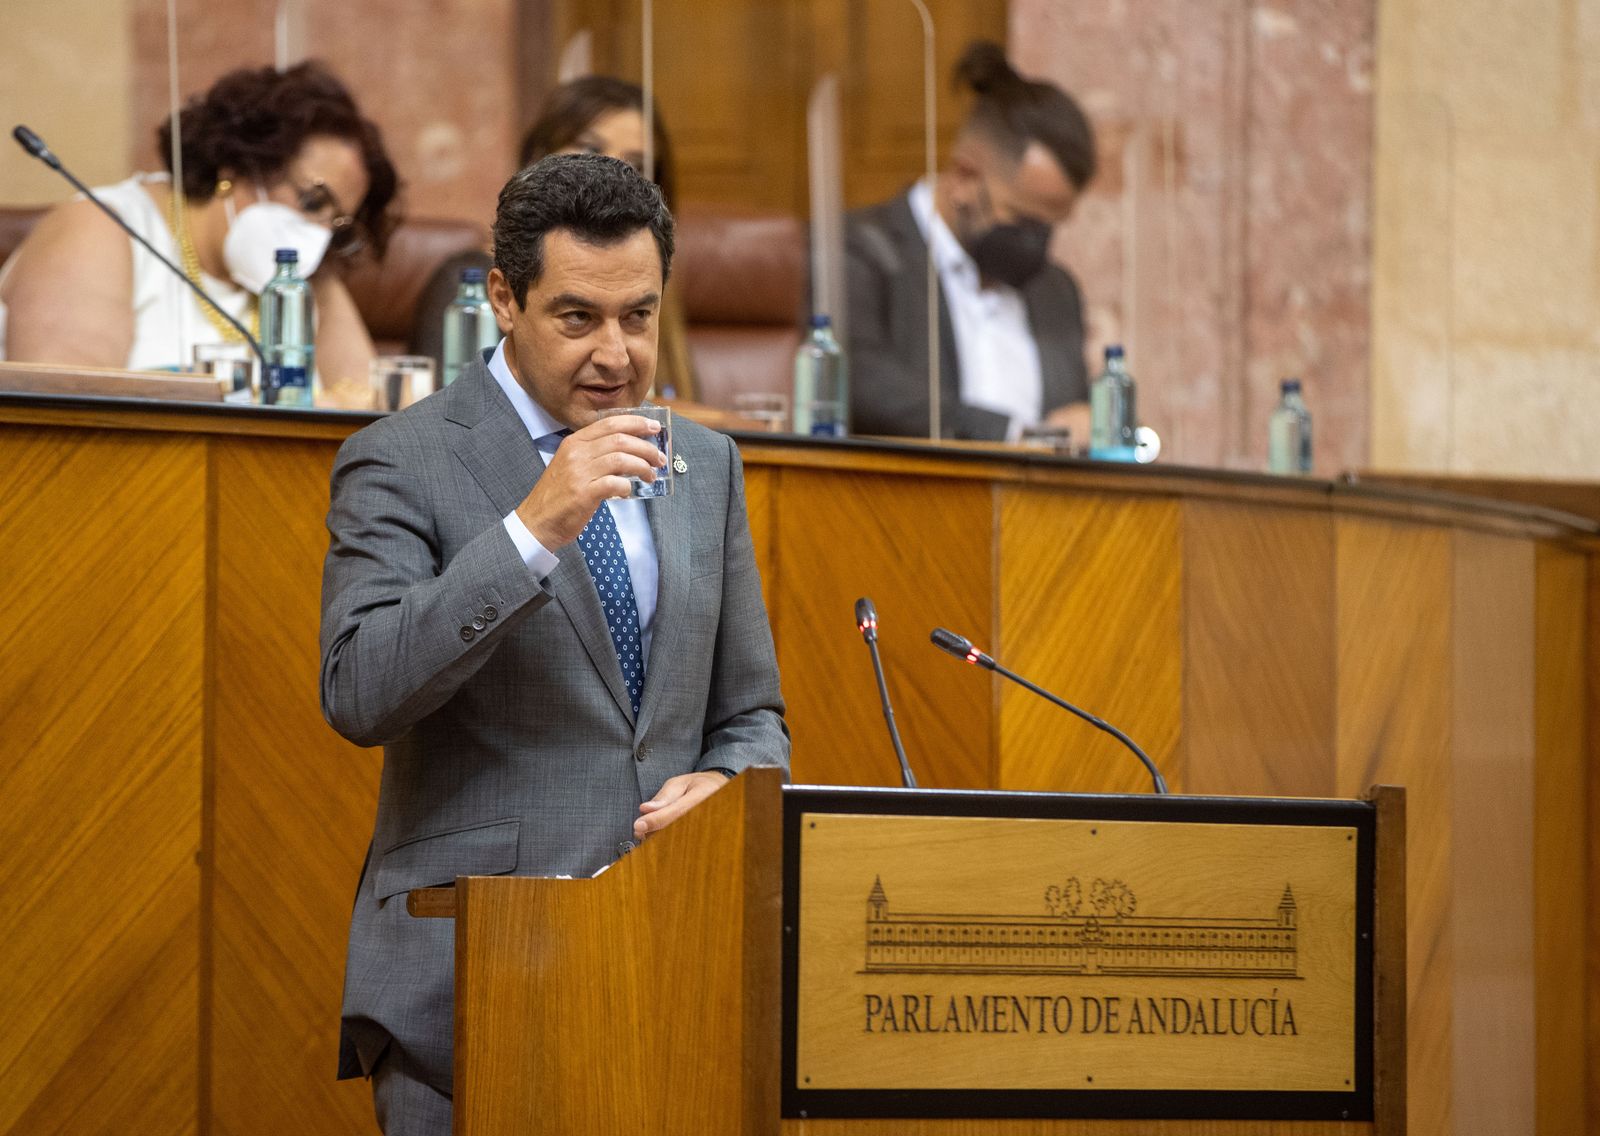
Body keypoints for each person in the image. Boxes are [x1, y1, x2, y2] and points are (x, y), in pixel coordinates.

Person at [320, 152, 789, 1134]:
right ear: (502, 297)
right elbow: (359, 689)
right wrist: (531, 528)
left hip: (670, 970)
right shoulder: (401, 456)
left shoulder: (704, 462)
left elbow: (748, 713)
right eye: (578, 317)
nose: (615, 353)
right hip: (470, 982)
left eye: (639, 316)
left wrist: (728, 783)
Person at [0, 61, 398, 383]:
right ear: (240, 164)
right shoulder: (100, 228)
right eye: (313, 200)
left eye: (338, 226)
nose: (318, 234)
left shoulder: (304, 276)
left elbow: (369, 410)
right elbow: (69, 416)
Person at [846, 41, 1096, 442]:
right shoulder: (859, 251)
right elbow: (863, 387)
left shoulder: (1056, 290)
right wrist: (1021, 435)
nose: (1035, 242)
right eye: (1022, 218)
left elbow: (1076, 417)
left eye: (1050, 225)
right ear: (964, 177)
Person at [413, 75, 697, 401]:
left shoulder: (656, 284)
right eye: (591, 149)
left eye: (636, 164)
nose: (612, 170)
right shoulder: (464, 280)